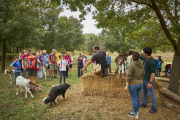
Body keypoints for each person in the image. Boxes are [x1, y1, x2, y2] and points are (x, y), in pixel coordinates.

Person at [131, 47, 158, 113]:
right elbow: (139, 55)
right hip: (143, 79)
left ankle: (154, 107)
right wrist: (133, 51)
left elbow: (153, 73)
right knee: (144, 92)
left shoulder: (152, 62)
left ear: (146, 53)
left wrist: (150, 82)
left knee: (151, 94)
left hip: (148, 81)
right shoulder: (146, 58)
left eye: (143, 51)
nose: (142, 52)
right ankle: (144, 103)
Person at [124, 52, 144, 119]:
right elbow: (143, 74)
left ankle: (135, 114)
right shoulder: (141, 65)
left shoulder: (131, 65)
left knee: (134, 99)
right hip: (140, 83)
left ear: (133, 57)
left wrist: (126, 85)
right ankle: (136, 111)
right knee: (137, 98)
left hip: (133, 84)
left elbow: (129, 76)